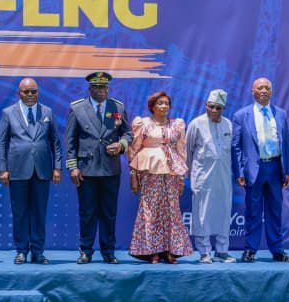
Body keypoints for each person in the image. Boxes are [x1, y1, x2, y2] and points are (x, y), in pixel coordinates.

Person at [64, 72, 132, 264]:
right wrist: (73, 167)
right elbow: (70, 141)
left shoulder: (117, 106)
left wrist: (121, 145)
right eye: (98, 87)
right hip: (86, 169)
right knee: (87, 213)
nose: (102, 91)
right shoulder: (77, 108)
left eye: (105, 87)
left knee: (109, 213)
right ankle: (85, 251)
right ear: (90, 89)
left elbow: (127, 133)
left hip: (110, 169)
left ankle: (108, 251)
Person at [231, 77, 289, 263]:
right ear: (252, 91)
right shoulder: (241, 115)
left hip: (275, 168)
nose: (263, 91)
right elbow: (236, 146)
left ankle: (277, 250)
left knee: (275, 211)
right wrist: (239, 172)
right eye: (260, 88)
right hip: (254, 170)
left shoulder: (281, 114)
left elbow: (287, 143)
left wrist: (288, 171)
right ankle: (250, 250)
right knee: (253, 212)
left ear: (271, 91)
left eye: (267, 87)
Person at [0, 78, 62, 265]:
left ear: (38, 92)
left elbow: (55, 142)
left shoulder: (47, 112)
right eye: (27, 92)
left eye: (34, 91)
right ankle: (21, 251)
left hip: (42, 169)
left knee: (39, 213)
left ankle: (38, 252)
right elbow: (1, 142)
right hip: (17, 170)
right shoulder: (8, 112)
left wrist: (57, 167)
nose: (31, 94)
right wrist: (2, 169)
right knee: (20, 213)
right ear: (19, 93)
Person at [127, 91, 192, 264]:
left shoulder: (176, 124)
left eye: (166, 103)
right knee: (151, 209)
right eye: (160, 103)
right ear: (152, 106)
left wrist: (181, 176)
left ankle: (171, 251)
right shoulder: (143, 123)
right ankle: (151, 251)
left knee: (172, 210)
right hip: (149, 170)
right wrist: (133, 175)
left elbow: (181, 149)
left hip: (171, 171)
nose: (164, 106)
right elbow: (134, 148)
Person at [185, 89, 237, 264]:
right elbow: (188, 151)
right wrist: (189, 173)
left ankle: (222, 251)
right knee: (202, 213)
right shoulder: (196, 124)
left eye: (218, 108)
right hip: (203, 177)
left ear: (223, 109)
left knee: (224, 211)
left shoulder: (229, 125)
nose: (214, 110)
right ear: (206, 105)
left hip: (224, 177)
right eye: (211, 106)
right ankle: (204, 252)